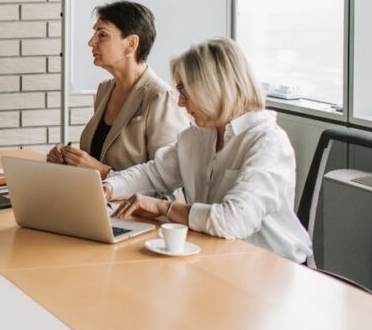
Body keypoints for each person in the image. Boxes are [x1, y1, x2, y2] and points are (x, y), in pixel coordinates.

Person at [108, 38, 313, 263]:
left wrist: (165, 208)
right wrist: (107, 188)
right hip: (218, 256)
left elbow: (233, 220)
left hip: (272, 266)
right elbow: (153, 174)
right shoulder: (197, 135)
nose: (180, 103)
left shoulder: (268, 141)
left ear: (213, 87)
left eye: (184, 91)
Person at [47, 1, 189, 179]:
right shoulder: (104, 90)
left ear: (131, 43)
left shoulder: (162, 97)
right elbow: (99, 158)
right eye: (94, 33)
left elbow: (169, 182)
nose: (91, 42)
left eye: (102, 35)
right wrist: (69, 161)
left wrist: (103, 171)